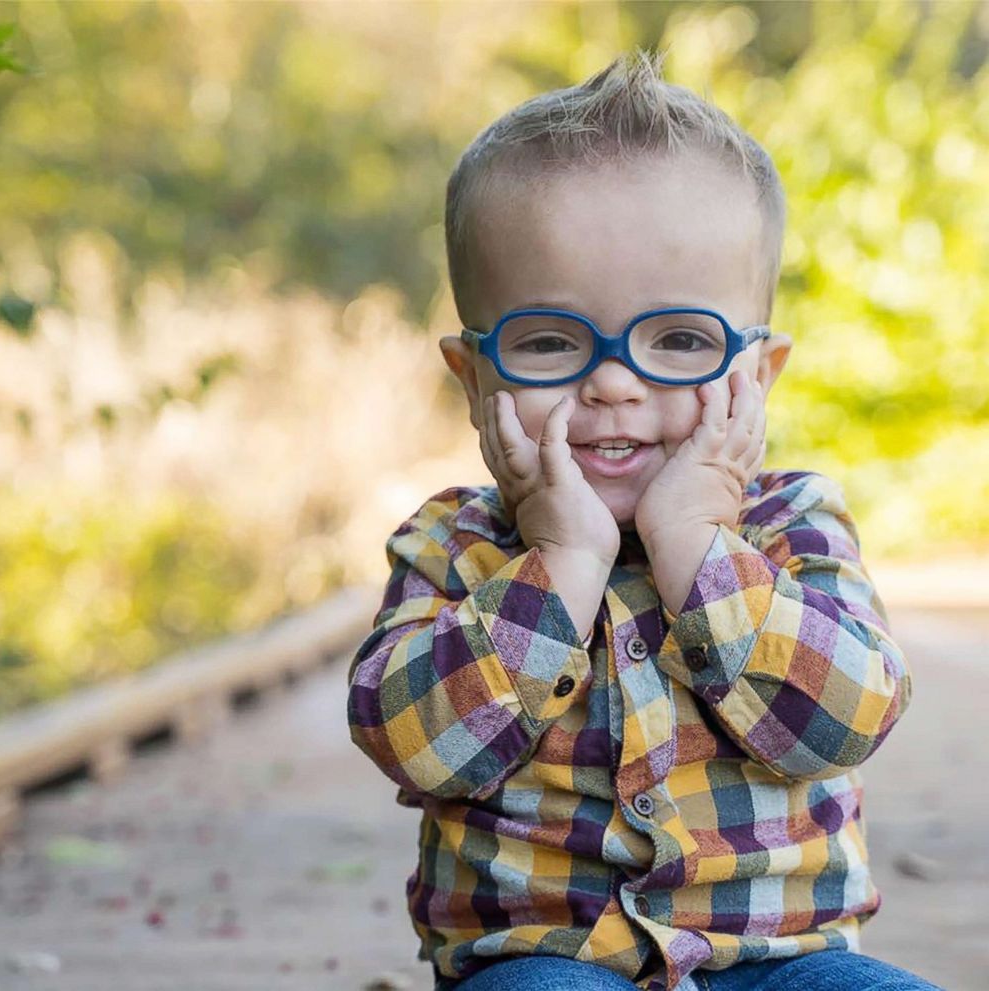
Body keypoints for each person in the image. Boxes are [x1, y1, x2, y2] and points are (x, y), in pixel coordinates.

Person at [347, 49, 941, 991]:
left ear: (759, 373)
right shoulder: (451, 546)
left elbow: (844, 722)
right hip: (544, 961)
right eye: (549, 341)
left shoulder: (795, 523)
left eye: (680, 341)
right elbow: (416, 744)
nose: (616, 383)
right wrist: (559, 559)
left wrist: (698, 546)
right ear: (474, 378)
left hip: (780, 962)